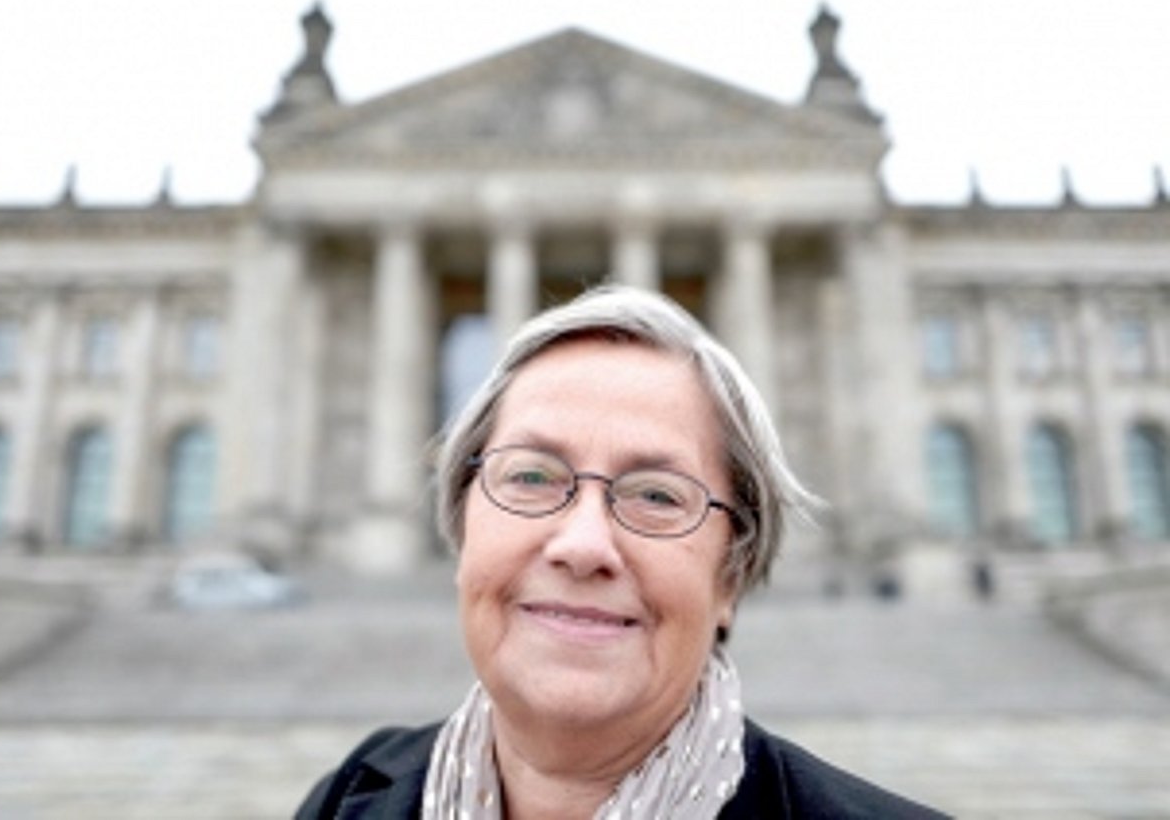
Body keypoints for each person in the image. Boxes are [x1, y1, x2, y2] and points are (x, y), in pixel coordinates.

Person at [297, 285, 948, 819]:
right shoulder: (344, 799)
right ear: (465, 530)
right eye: (530, 477)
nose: (582, 546)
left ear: (732, 574)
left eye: (658, 496)